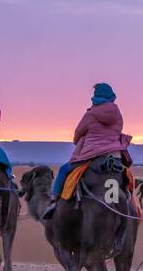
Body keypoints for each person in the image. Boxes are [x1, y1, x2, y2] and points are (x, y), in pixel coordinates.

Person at [42, 83, 131, 216]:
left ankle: (53, 201)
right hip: (115, 156)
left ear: (95, 97)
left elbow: (77, 134)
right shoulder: (118, 114)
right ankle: (129, 200)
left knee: (63, 170)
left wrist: (80, 140)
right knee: (127, 177)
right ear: (112, 96)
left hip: (92, 155)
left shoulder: (90, 114)